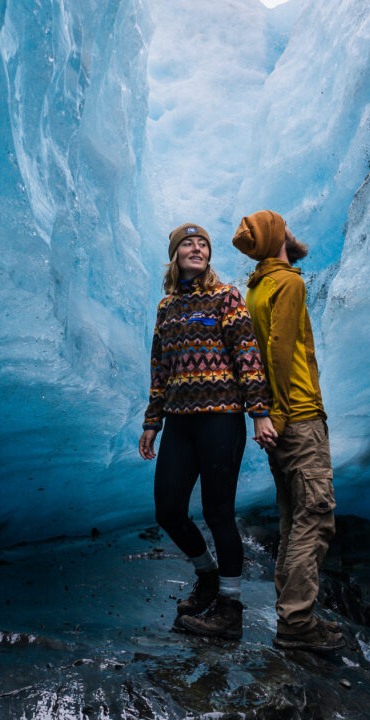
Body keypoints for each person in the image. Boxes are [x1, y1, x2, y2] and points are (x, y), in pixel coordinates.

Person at [139, 222, 277, 640]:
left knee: (218, 512)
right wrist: (152, 421)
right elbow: (160, 368)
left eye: (202, 244)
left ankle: (230, 611)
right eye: (187, 243)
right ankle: (208, 576)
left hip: (221, 417)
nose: (196, 248)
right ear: (175, 254)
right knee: (168, 510)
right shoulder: (167, 307)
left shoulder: (225, 297)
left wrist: (259, 412)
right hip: (180, 421)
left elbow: (247, 355)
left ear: (209, 255)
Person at [232, 210, 344, 652]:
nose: (292, 232)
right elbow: (278, 350)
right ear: (277, 236)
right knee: (315, 517)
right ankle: (297, 622)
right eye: (285, 226)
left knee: (292, 515)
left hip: (283, 418)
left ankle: (293, 613)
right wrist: (278, 412)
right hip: (298, 415)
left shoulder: (257, 287)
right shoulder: (289, 283)